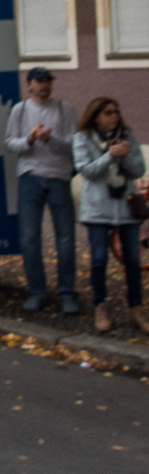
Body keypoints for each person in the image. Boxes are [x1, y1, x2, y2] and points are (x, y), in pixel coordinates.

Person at [4, 68, 79, 314]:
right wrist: (31, 139)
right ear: (30, 85)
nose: (45, 85)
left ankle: (67, 292)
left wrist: (51, 140)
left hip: (59, 177)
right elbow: (10, 142)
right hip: (30, 177)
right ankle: (37, 291)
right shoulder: (20, 110)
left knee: (66, 239)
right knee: (29, 239)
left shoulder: (64, 109)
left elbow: (73, 145)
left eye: (48, 81)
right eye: (40, 81)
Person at [73, 97, 148, 334]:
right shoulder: (82, 138)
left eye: (115, 111)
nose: (113, 116)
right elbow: (86, 170)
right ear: (95, 116)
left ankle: (136, 309)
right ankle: (100, 307)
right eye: (107, 112)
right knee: (98, 259)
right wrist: (109, 156)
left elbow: (139, 169)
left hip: (125, 207)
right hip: (97, 209)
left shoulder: (127, 134)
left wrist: (124, 155)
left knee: (133, 261)